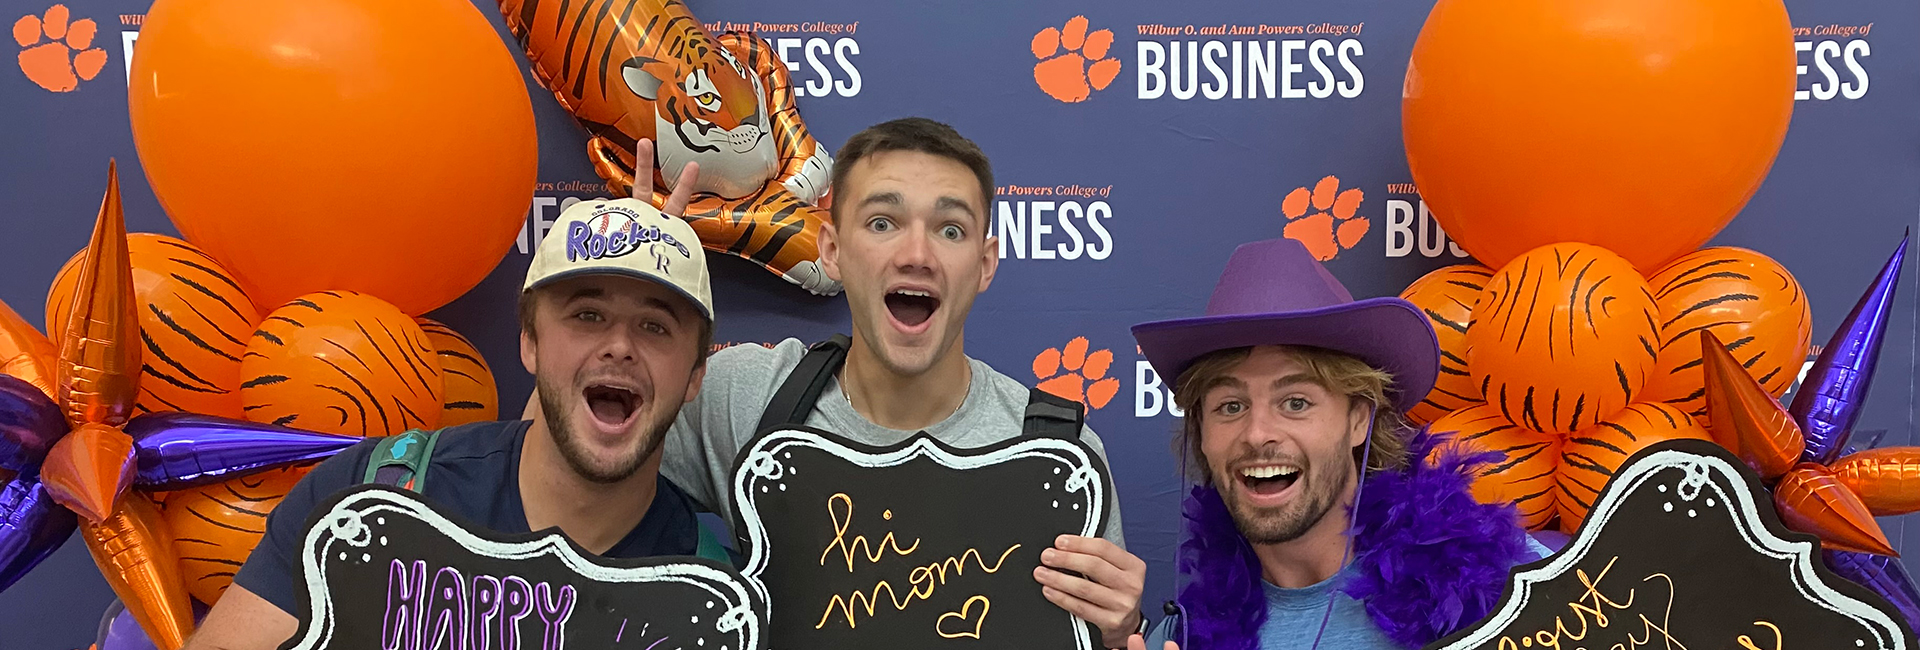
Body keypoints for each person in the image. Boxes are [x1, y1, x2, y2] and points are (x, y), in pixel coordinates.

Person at [651, 117, 1152, 647]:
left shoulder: (1057, 457)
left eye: (950, 229)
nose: (916, 255)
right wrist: (630, 290)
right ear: (831, 251)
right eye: (882, 223)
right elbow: (570, 452)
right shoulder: (743, 398)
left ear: (984, 265)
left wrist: (1119, 635)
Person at [185, 190, 723, 649]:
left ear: (696, 373)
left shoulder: (714, 599)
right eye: (587, 315)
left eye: (654, 327)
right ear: (530, 344)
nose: (619, 346)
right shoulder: (369, 498)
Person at [1131, 238, 1548, 650]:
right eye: (1230, 406)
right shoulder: (1181, 638)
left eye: (1295, 402)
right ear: (1201, 433)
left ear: (1359, 419)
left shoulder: (1499, 583)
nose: (1257, 434)